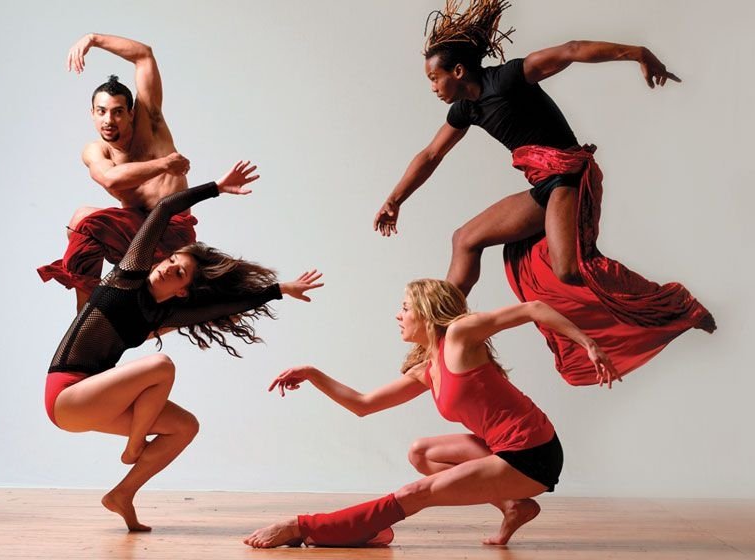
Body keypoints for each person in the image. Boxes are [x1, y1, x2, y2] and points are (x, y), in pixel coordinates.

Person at [372, 0, 714, 385]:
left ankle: (673, 305)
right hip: (544, 187)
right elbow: (432, 154)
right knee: (465, 239)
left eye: (434, 79)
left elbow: (569, 50)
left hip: (569, 177)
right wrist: (394, 200)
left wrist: (637, 52)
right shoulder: (466, 110)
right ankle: (437, 332)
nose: (432, 88)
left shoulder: (509, 78)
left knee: (568, 269)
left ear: (458, 70)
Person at [46, 161, 324, 532]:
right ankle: (133, 448)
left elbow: (224, 306)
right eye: (172, 260)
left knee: (184, 427)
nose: (167, 267)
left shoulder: (165, 315)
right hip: (66, 393)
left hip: (93, 399)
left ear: (182, 291)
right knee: (161, 364)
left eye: (179, 273)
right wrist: (217, 187)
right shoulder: (127, 277)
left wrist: (279, 290)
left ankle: (122, 494)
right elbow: (163, 210)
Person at [244, 278, 618, 548]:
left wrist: (589, 345)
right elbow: (363, 405)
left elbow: (533, 309)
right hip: (503, 450)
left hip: (532, 456)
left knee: (417, 492)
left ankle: (304, 526)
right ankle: (513, 507)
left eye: (405, 307)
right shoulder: (428, 368)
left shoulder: (460, 335)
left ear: (426, 311)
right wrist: (312, 374)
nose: (398, 315)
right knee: (420, 452)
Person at [38, 33, 201, 311]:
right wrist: (164, 164)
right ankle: (85, 312)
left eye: (117, 112)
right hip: (135, 237)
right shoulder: (95, 151)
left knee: (88, 221)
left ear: (131, 113)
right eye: (101, 112)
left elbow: (144, 56)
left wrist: (93, 39)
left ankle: (92, 310)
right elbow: (111, 177)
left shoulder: (150, 122)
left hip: (171, 233)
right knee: (81, 219)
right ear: (92, 113)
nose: (108, 120)